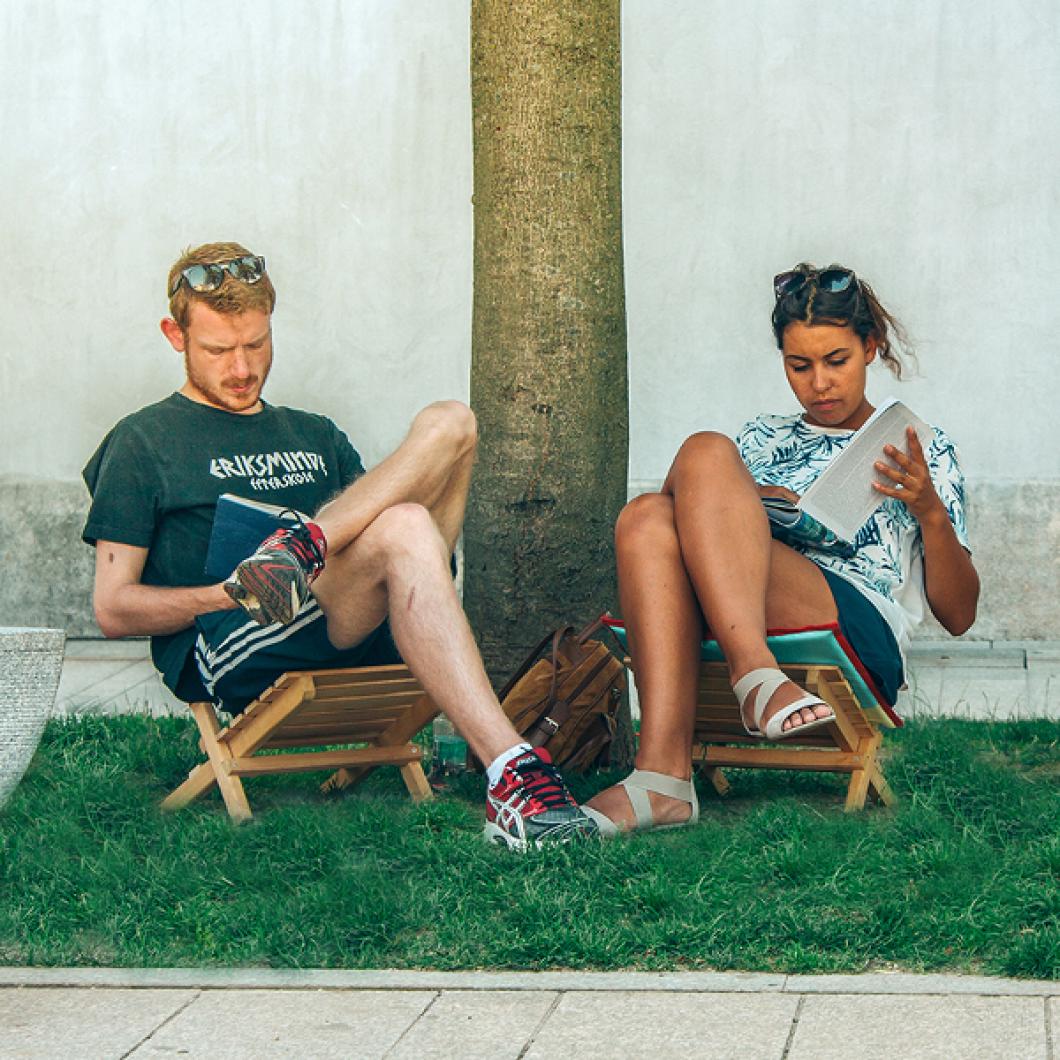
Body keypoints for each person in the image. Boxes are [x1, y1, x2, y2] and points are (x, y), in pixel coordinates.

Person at [82, 241, 598, 850]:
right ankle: (513, 772)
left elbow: (405, 540)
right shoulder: (144, 441)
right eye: (219, 350)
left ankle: (304, 546)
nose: (242, 368)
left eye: (256, 344)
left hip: (359, 616)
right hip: (246, 636)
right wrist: (232, 594)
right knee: (404, 523)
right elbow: (113, 608)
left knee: (454, 421)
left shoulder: (314, 433)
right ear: (176, 335)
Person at [583, 262, 979, 835]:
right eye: (800, 365)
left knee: (692, 469)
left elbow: (960, 615)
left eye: (836, 361)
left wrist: (928, 510)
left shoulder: (921, 449)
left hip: (854, 623)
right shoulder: (761, 437)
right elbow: (677, 515)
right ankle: (667, 779)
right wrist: (747, 501)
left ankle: (746, 684)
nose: (819, 383)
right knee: (653, 509)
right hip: (745, 599)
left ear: (871, 347)